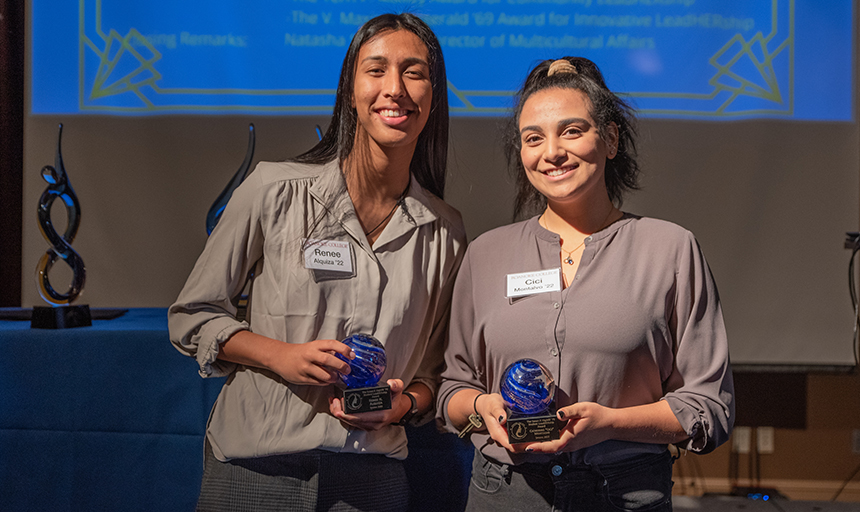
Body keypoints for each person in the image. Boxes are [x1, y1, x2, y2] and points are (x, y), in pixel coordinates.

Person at [169, 13, 466, 512]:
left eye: (414, 72)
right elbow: (191, 317)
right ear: (350, 91)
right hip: (255, 468)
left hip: (371, 477)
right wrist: (279, 355)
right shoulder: (273, 190)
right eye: (376, 70)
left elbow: (436, 372)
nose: (395, 88)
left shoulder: (445, 231)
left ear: (433, 98)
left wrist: (404, 403)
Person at [437, 56, 734, 512]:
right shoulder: (485, 254)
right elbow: (452, 389)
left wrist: (611, 423)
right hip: (505, 491)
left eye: (571, 131)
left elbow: (708, 407)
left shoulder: (671, 248)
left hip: (624, 492)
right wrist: (482, 410)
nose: (551, 151)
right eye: (533, 138)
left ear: (611, 139)